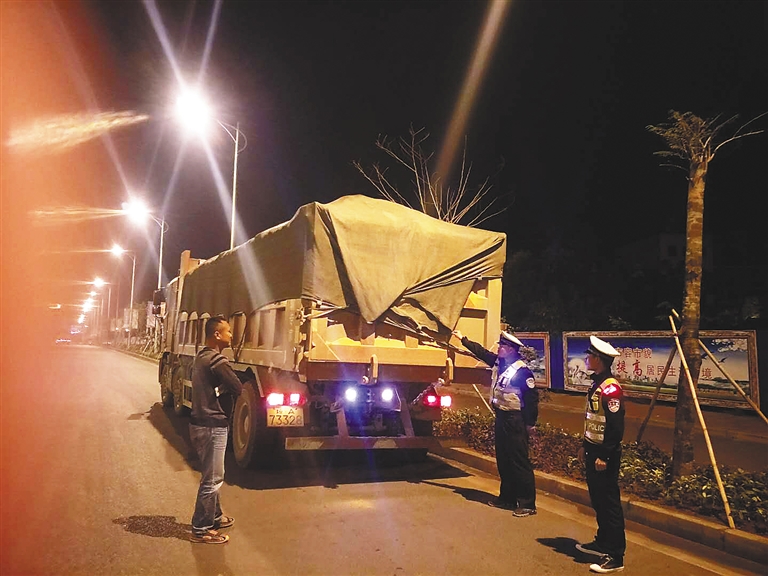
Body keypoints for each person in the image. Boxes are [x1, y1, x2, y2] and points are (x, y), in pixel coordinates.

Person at [453, 329, 539, 517]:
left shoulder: (522, 371)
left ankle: (527, 503)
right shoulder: (499, 363)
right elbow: (481, 352)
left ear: (511, 349)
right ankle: (507, 498)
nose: (499, 348)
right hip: (502, 417)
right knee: (504, 459)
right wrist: (463, 339)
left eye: (502, 346)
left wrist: (530, 424)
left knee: (518, 461)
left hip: (515, 420)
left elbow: (531, 400)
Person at [189, 315, 244, 544]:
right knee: (212, 478)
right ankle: (201, 529)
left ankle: (215, 516)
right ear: (217, 335)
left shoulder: (201, 357)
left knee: (213, 474)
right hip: (212, 425)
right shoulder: (217, 361)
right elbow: (238, 387)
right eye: (228, 331)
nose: (231, 335)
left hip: (199, 423)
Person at [575, 335, 626, 573]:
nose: (587, 358)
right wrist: (585, 445)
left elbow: (615, 428)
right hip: (593, 450)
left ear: (600, 360)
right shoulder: (597, 384)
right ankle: (603, 541)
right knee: (598, 500)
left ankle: (616, 556)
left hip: (605, 455)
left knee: (609, 503)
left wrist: (604, 456)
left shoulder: (611, 389)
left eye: (590, 355)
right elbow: (594, 420)